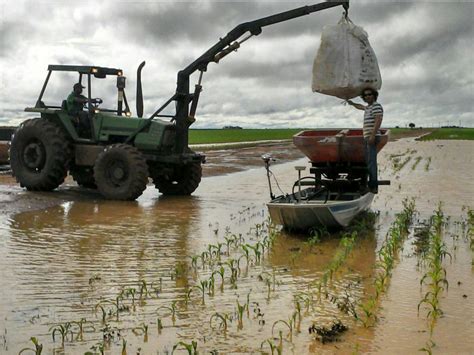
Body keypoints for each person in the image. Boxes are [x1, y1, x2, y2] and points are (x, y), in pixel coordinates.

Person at [346, 88, 383, 193]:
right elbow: (360, 107)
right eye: (365, 95)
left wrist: (372, 135)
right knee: (369, 162)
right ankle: (370, 185)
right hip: (368, 137)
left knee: (371, 163)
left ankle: (373, 186)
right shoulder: (368, 108)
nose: (367, 96)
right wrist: (352, 103)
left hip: (372, 137)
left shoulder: (376, 106)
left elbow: (378, 120)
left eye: (369, 94)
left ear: (374, 95)